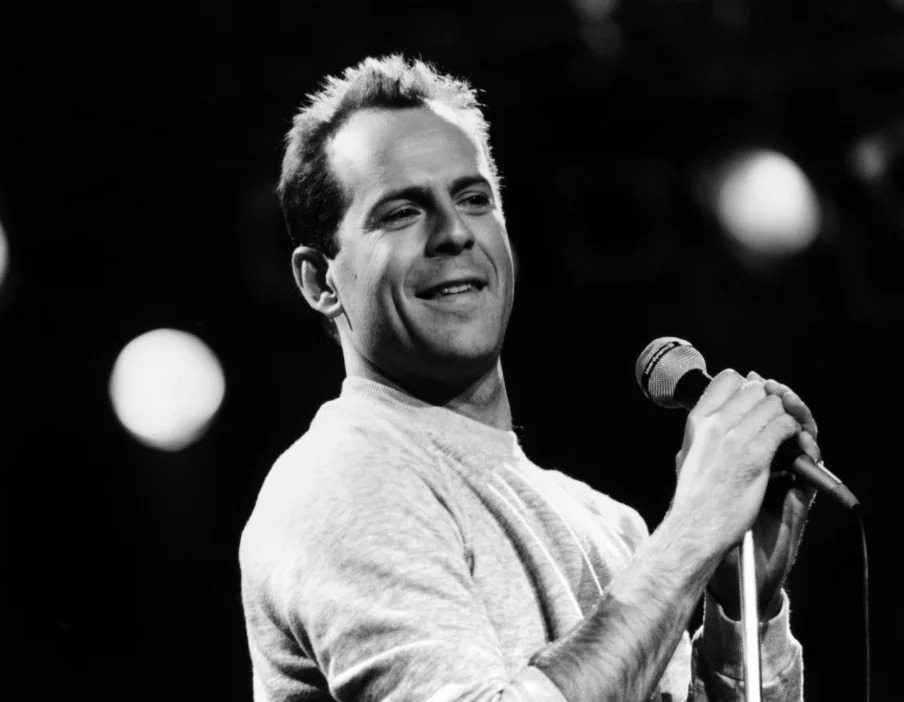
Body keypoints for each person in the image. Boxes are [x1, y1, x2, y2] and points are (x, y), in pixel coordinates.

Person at [239, 55, 818, 701]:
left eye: (473, 198)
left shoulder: (611, 526)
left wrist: (744, 600)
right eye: (402, 211)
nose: (454, 232)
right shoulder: (339, 484)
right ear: (320, 281)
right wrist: (689, 538)